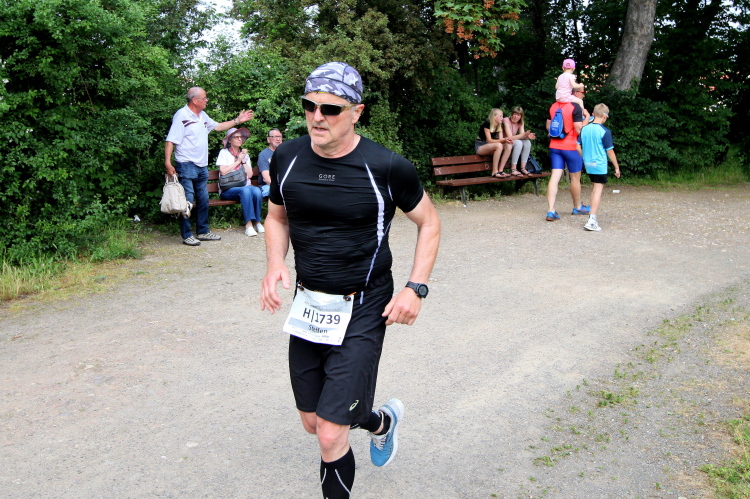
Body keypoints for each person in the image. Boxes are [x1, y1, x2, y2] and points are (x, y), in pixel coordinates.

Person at [259, 62, 440, 499]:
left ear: (357, 112)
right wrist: (275, 263)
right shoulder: (287, 157)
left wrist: (415, 288)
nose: (317, 116)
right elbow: (276, 217)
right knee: (313, 421)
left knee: (329, 432)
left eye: (330, 109)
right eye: (310, 106)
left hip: (364, 304)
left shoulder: (387, 166)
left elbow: (429, 222)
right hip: (310, 305)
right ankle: (381, 422)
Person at [165, 87, 254, 246]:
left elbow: (218, 126)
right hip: (186, 164)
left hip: (202, 165)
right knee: (187, 201)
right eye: (204, 98)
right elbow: (171, 140)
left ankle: (203, 231)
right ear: (195, 100)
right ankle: (187, 235)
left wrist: (237, 121)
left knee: (203, 199)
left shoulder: (202, 116)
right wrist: (168, 162)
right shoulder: (182, 115)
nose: (207, 100)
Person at [545, 88, 590, 221]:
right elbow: (579, 129)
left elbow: (548, 127)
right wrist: (587, 118)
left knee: (554, 177)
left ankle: (551, 210)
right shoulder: (575, 107)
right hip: (571, 147)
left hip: (554, 146)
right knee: (575, 178)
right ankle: (577, 207)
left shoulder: (553, 106)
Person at [577, 103, 621, 231]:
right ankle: (592, 220)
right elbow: (610, 151)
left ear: (593, 114)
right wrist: (617, 167)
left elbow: (577, 145)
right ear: (605, 116)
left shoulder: (584, 129)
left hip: (589, 164)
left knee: (594, 188)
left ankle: (592, 216)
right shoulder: (604, 131)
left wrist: (584, 157)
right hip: (599, 165)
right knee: (598, 190)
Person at [216, 128, 265, 237]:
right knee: (246, 191)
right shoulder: (224, 153)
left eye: (241, 137)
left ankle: (257, 222)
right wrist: (237, 161)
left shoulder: (245, 155)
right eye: (236, 137)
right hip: (228, 189)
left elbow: (250, 175)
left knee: (257, 191)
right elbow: (223, 171)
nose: (239, 139)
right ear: (229, 140)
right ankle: (248, 225)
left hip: (244, 186)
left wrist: (243, 161)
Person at [476, 108, 515, 177]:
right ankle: (494, 172)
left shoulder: (499, 125)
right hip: (481, 146)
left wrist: (506, 140)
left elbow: (501, 139)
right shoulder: (487, 124)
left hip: (490, 146)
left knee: (508, 145)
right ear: (494, 116)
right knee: (498, 145)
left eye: (502, 116)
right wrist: (504, 140)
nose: (502, 118)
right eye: (500, 116)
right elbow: (489, 140)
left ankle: (500, 170)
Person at [503, 106, 536, 175]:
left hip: (512, 142)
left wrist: (527, 136)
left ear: (521, 116)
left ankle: (523, 168)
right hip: (504, 142)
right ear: (512, 114)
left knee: (527, 142)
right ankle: (513, 169)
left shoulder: (520, 122)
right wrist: (524, 134)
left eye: (518, 115)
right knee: (518, 143)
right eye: (515, 114)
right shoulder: (506, 120)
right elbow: (510, 137)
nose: (516, 117)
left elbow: (522, 136)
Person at [257, 128, 283, 198]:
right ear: (268, 139)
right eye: (275, 137)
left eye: (280, 136)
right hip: (267, 186)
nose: (278, 139)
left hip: (283, 185)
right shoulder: (264, 155)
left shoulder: (286, 153)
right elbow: (266, 179)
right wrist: (280, 187)